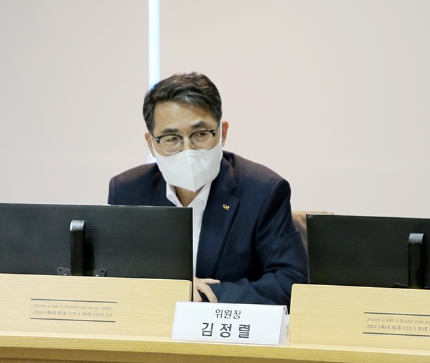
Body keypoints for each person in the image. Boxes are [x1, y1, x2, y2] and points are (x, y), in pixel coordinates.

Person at [108, 72, 307, 306]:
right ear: (151, 143)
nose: (187, 150)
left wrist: (200, 297)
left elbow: (290, 282)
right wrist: (168, 293)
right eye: (171, 138)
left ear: (222, 132)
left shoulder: (263, 191)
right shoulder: (127, 192)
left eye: (200, 134)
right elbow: (111, 280)